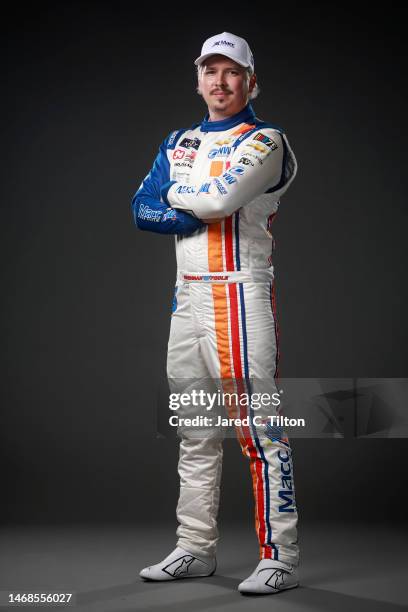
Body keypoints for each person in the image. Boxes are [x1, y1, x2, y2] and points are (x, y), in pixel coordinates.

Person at [131, 31, 300, 595]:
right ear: (198, 77)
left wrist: (176, 197)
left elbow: (217, 202)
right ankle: (194, 548)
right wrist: (185, 204)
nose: (220, 82)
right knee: (196, 430)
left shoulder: (265, 140)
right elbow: (140, 208)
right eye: (211, 70)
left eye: (232, 72)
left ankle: (280, 555)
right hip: (187, 297)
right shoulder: (178, 139)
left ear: (251, 80)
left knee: (260, 430)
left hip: (239, 293)